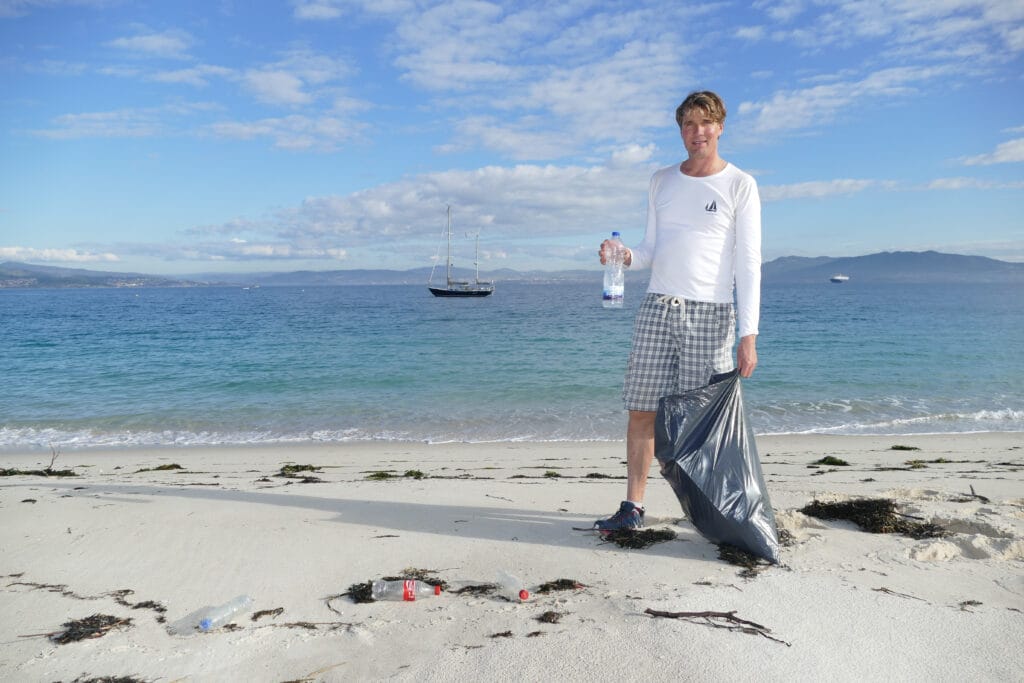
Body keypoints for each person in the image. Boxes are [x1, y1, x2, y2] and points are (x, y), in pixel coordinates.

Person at [595, 90, 761, 532]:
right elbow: (649, 250)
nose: (697, 132)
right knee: (642, 409)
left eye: (705, 123)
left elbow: (748, 263)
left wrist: (749, 334)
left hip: (712, 314)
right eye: (688, 124)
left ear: (720, 127)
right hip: (657, 307)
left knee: (701, 421)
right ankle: (633, 508)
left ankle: (719, 513)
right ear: (680, 131)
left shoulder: (739, 184)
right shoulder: (662, 180)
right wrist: (622, 254)